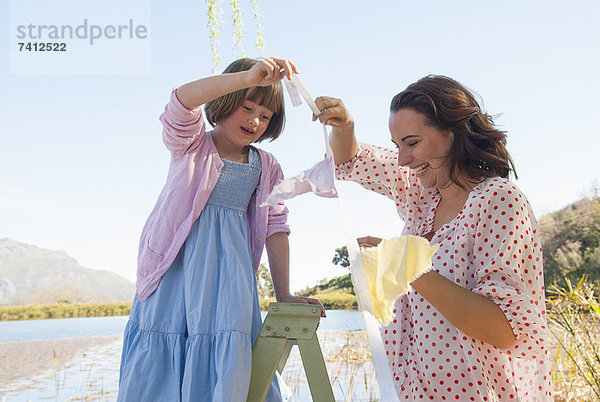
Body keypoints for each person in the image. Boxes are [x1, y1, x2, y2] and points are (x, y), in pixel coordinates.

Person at [314, 75, 553, 400]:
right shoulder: (421, 194)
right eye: (397, 146)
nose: (402, 159)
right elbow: (351, 160)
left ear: (454, 134)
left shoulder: (498, 200)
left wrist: (406, 265)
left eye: (412, 143)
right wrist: (344, 125)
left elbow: (503, 328)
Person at [117, 57, 323, 402]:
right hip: (173, 274)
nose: (256, 120)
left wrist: (284, 293)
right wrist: (247, 77)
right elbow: (181, 100)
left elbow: (276, 228)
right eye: (247, 107)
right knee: (165, 345)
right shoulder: (191, 146)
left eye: (266, 115)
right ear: (227, 101)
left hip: (227, 281)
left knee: (228, 349)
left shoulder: (265, 165)